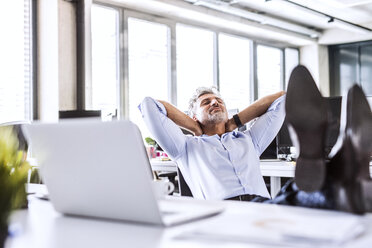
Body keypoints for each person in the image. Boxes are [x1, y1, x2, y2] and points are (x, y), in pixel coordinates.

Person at [139, 87, 286, 201]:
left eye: (219, 101)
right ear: (194, 116)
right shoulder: (184, 147)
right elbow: (149, 105)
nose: (215, 102)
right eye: (206, 102)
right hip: (221, 213)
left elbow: (282, 98)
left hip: (263, 208)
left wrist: (235, 121)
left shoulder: (250, 139)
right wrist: (193, 127)